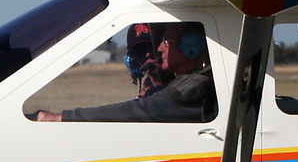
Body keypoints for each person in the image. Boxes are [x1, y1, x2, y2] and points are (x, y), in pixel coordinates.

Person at [36, 24, 217, 123]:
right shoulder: (173, 88)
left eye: (163, 42)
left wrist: (64, 117)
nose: (157, 51)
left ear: (191, 45)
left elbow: (141, 110)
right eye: (140, 52)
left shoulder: (192, 88)